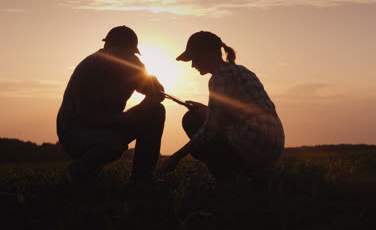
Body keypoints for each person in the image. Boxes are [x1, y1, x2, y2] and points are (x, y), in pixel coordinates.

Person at [159, 31, 284, 182]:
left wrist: (176, 157)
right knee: (200, 117)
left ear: (210, 54)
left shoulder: (219, 77)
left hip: (252, 141)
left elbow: (211, 128)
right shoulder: (242, 71)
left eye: (196, 59)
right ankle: (252, 176)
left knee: (191, 119)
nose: (193, 65)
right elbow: (241, 111)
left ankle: (227, 181)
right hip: (274, 142)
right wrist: (207, 110)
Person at [57, 25, 166, 183]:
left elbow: (159, 94)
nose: (128, 57)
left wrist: (147, 76)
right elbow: (87, 117)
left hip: (108, 127)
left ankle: (141, 181)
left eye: (130, 54)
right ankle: (75, 174)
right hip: (75, 133)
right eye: (125, 53)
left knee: (156, 111)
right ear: (108, 48)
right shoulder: (90, 68)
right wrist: (127, 117)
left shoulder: (131, 68)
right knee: (113, 144)